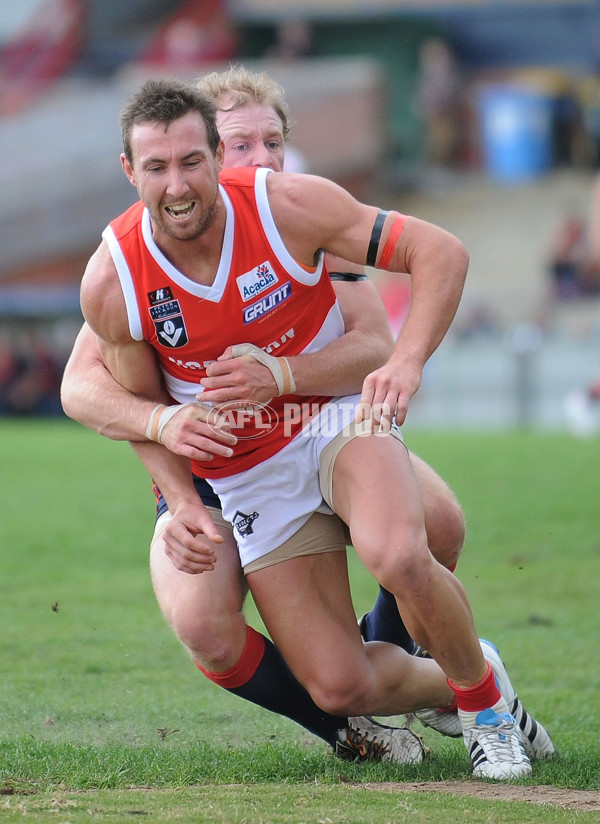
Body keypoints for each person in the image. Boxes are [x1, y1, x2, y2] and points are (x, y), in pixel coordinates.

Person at [73, 76, 553, 779]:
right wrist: (173, 471)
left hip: (326, 420)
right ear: (130, 170)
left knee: (410, 543)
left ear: (209, 156)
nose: (257, 159)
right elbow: (96, 391)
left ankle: (483, 710)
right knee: (333, 681)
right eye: (243, 144)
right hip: (235, 471)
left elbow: (428, 267)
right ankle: (451, 678)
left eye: (270, 144)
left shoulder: (290, 208)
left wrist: (377, 367)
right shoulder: (117, 274)